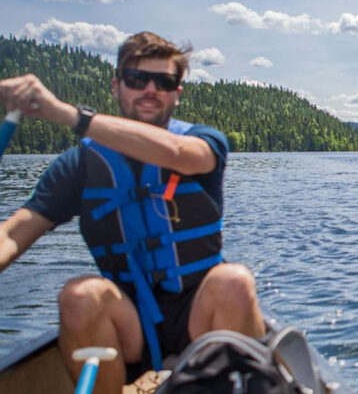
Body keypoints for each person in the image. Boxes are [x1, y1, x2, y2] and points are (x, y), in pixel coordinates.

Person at [0, 32, 267, 393]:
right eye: (137, 79)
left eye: (164, 81)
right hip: (128, 320)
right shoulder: (79, 166)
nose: (150, 90)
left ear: (177, 92)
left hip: (198, 312)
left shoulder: (205, 142)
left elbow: (176, 153)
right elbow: (15, 233)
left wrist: (67, 114)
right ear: (116, 86)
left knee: (233, 281)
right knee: (79, 294)